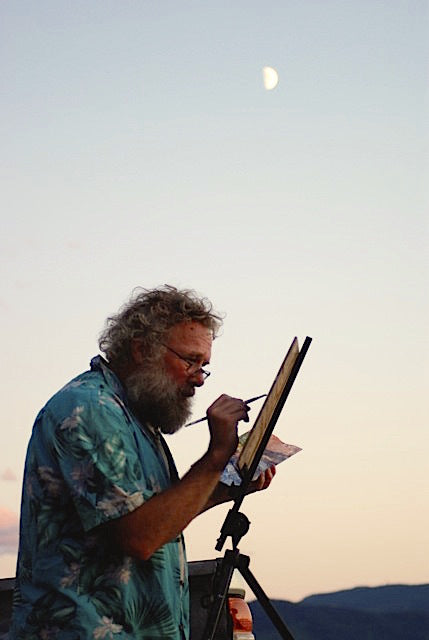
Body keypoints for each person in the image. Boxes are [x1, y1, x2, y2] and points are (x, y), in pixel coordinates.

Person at [10, 286, 275, 640]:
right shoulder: (90, 410)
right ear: (141, 349)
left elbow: (153, 518)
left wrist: (222, 489)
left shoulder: (133, 418)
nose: (198, 378)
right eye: (190, 360)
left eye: (204, 366)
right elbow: (139, 537)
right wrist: (215, 458)